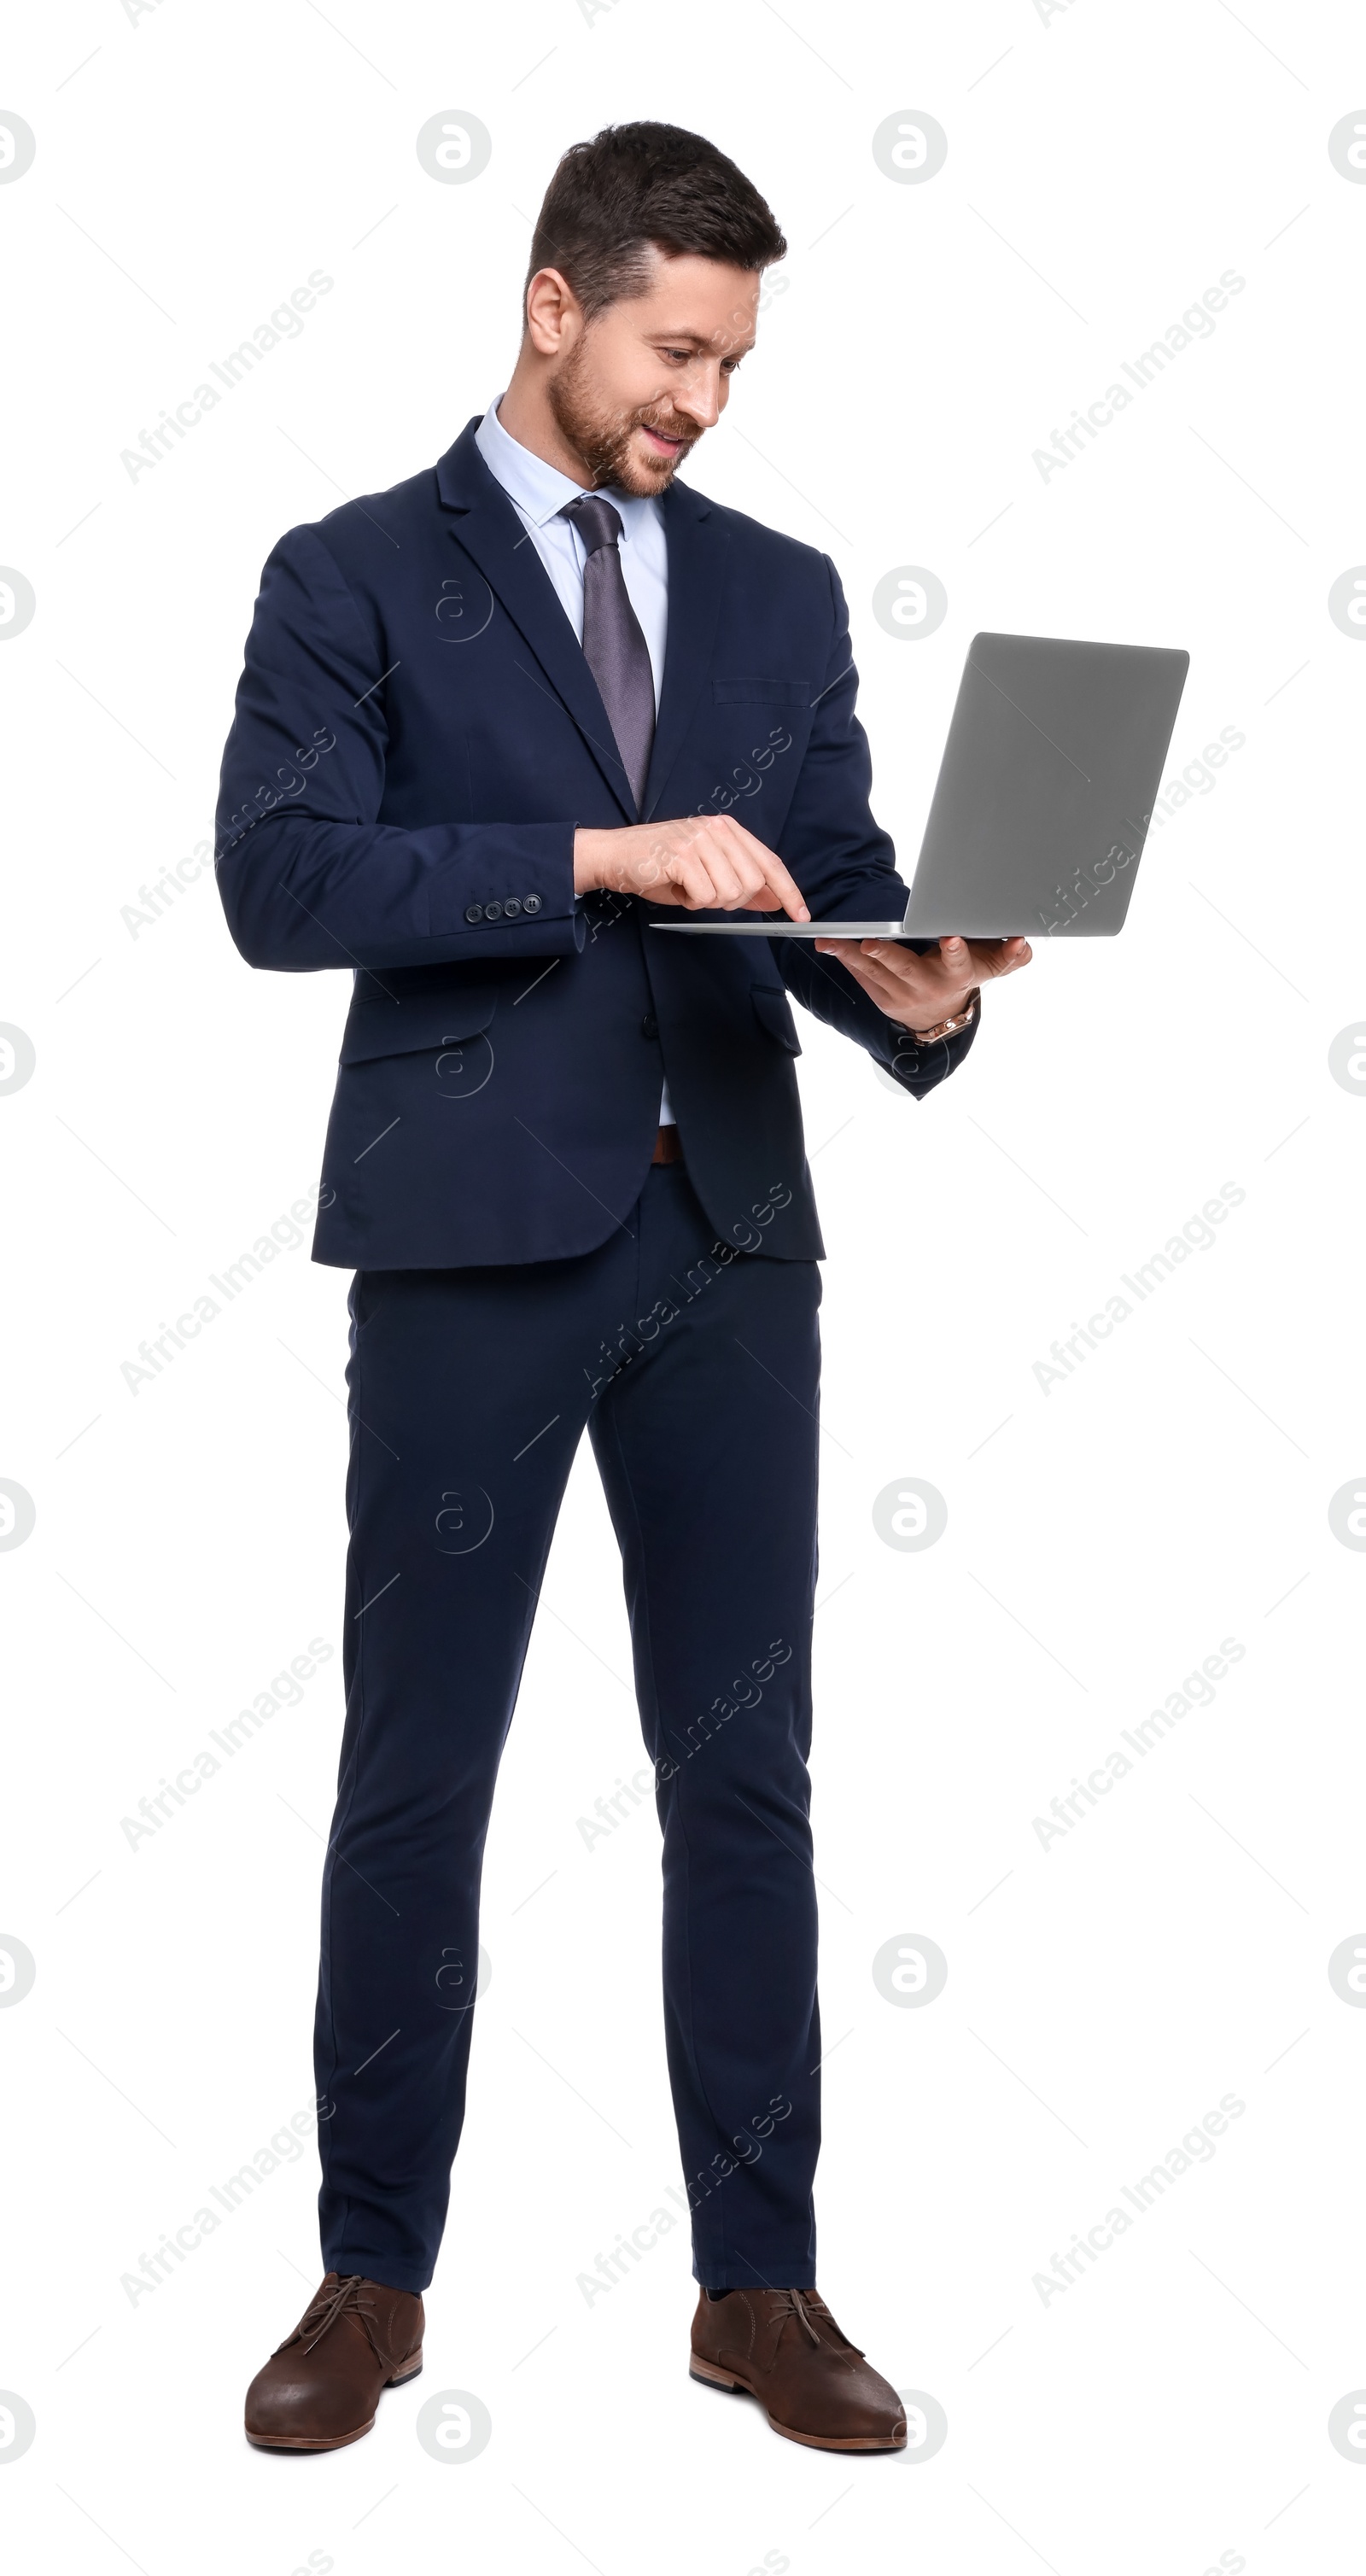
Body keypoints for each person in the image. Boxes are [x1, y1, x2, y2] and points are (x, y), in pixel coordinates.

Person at [216, 119, 1031, 2456]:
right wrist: (591, 847)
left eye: (736, 360)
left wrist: (924, 980)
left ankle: (754, 2281)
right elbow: (283, 876)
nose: (706, 397)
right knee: (419, 1769)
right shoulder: (355, 570)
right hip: (472, 1243)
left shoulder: (774, 592)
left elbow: (840, 883)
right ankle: (372, 2273)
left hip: (728, 1249)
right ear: (557, 305)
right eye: (679, 347)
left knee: (744, 1772)